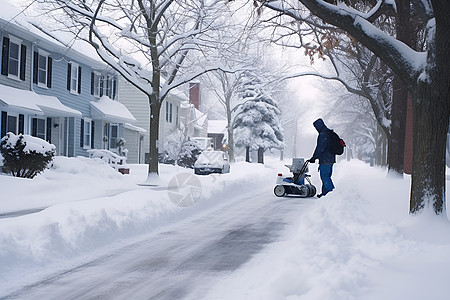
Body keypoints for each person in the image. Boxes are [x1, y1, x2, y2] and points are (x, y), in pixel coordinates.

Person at [308, 118, 336, 198]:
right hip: (331, 159)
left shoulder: (323, 135)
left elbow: (320, 148)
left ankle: (332, 193)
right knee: (327, 176)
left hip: (325, 159)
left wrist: (314, 158)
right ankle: (325, 194)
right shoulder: (329, 133)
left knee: (325, 177)